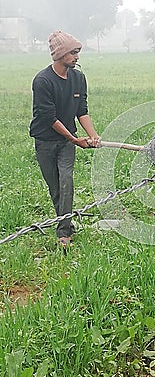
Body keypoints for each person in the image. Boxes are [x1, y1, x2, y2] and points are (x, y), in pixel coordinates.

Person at [29, 31, 101, 249]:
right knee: (56, 188)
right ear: (59, 54)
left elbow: (82, 110)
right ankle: (66, 223)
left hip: (66, 143)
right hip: (45, 141)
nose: (77, 56)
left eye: (78, 52)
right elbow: (49, 118)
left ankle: (63, 234)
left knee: (66, 181)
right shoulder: (42, 81)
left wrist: (92, 135)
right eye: (73, 52)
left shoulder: (79, 78)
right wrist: (75, 138)